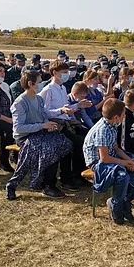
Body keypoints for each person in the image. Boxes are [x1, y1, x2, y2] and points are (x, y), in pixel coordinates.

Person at [5, 70, 72, 200]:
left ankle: (50, 180)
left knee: (63, 143)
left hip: (39, 132)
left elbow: (42, 117)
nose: (42, 85)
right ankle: (46, 184)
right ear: (30, 84)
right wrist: (42, 126)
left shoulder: (39, 99)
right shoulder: (20, 103)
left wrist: (49, 125)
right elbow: (19, 128)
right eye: (39, 82)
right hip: (25, 136)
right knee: (50, 148)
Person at [83, 98, 134, 225]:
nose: (125, 116)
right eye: (123, 114)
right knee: (122, 175)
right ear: (117, 117)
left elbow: (116, 148)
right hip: (97, 163)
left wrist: (129, 160)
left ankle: (125, 201)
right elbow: (104, 158)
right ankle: (116, 205)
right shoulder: (103, 130)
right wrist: (124, 163)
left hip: (109, 157)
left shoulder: (112, 125)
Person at [39, 60, 90, 191]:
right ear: (54, 73)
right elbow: (45, 111)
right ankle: (66, 177)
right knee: (73, 144)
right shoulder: (48, 90)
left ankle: (78, 174)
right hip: (55, 124)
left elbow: (66, 107)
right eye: (64, 72)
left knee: (86, 139)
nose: (67, 75)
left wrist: (78, 105)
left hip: (66, 122)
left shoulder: (62, 88)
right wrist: (61, 110)